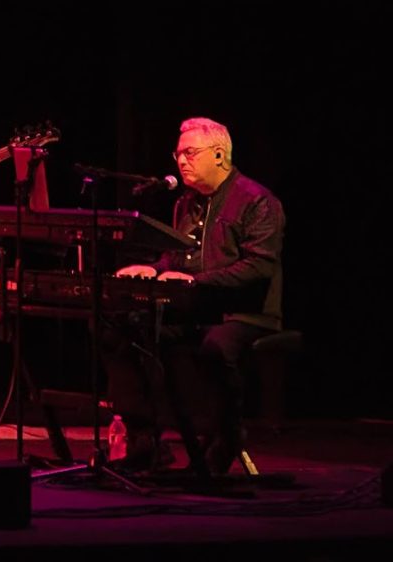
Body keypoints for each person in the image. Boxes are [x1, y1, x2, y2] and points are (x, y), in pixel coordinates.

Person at [105, 117, 285, 474]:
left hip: (244, 313)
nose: (181, 161)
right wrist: (151, 270)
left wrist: (194, 281)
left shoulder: (258, 201)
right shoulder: (186, 204)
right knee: (120, 327)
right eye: (178, 154)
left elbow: (259, 268)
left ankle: (226, 439)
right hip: (194, 308)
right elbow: (176, 257)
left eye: (189, 153)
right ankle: (144, 440)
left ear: (219, 155)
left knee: (214, 348)